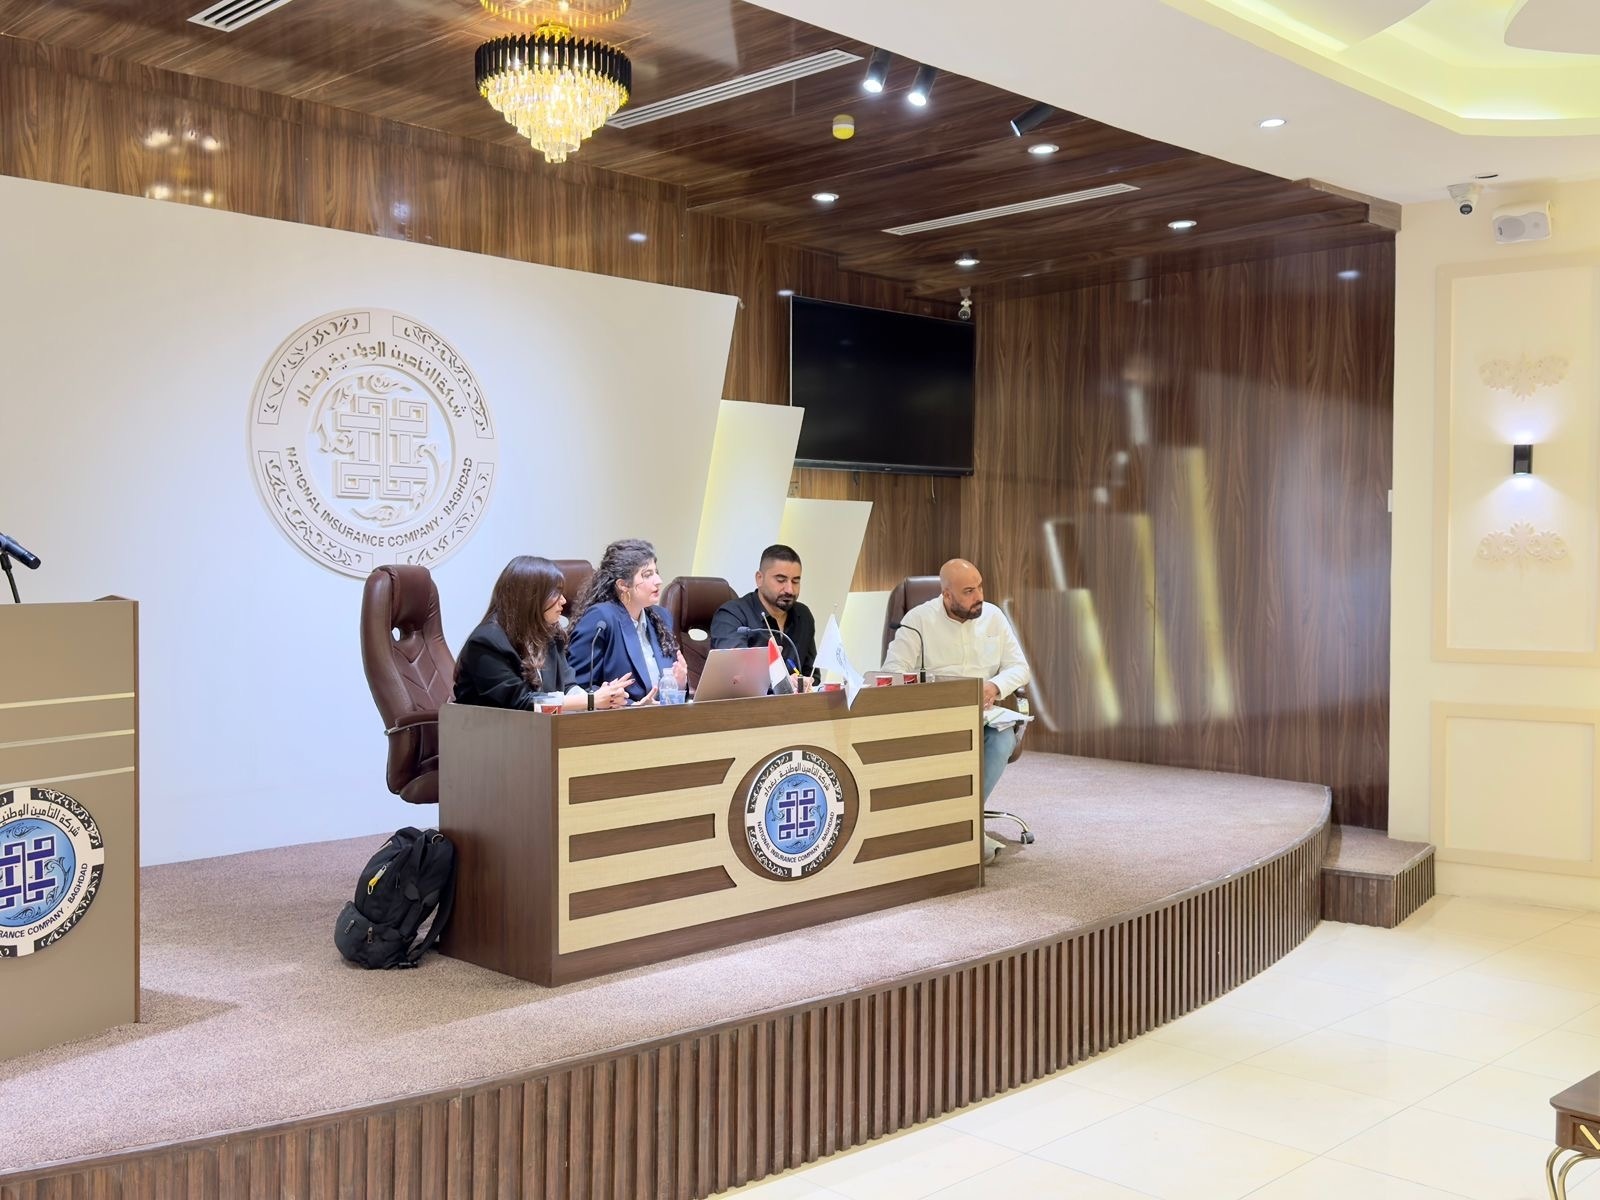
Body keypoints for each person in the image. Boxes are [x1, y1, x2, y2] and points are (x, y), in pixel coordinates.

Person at [882, 558, 1031, 862]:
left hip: (983, 715)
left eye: (980, 587)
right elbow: (892, 673)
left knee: (1002, 738)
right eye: (968, 591)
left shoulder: (993, 617)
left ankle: (958, 823)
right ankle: (962, 827)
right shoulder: (918, 620)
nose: (979, 597)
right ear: (947, 595)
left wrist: (995, 686)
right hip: (936, 717)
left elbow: (1020, 668)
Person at [454, 556, 632, 711]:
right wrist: (590, 701)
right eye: (556, 593)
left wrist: (605, 697)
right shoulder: (487, 641)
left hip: (540, 732)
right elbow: (521, 702)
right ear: (529, 597)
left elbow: (568, 686)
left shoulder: (551, 634)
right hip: (492, 734)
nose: (563, 601)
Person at [567, 538, 688, 703]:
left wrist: (679, 684)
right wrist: (630, 705)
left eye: (656, 572)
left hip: (662, 715)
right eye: (647, 575)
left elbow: (669, 686)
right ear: (623, 585)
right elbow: (579, 686)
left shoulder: (661, 617)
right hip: (618, 716)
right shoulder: (601, 618)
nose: (658, 580)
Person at [709, 543, 818, 690]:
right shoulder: (731, 615)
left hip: (794, 703)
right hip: (746, 702)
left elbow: (812, 673)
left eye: (795, 581)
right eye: (781, 580)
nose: (790, 589)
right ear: (759, 578)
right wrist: (783, 684)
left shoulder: (803, 615)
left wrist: (804, 682)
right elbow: (738, 674)